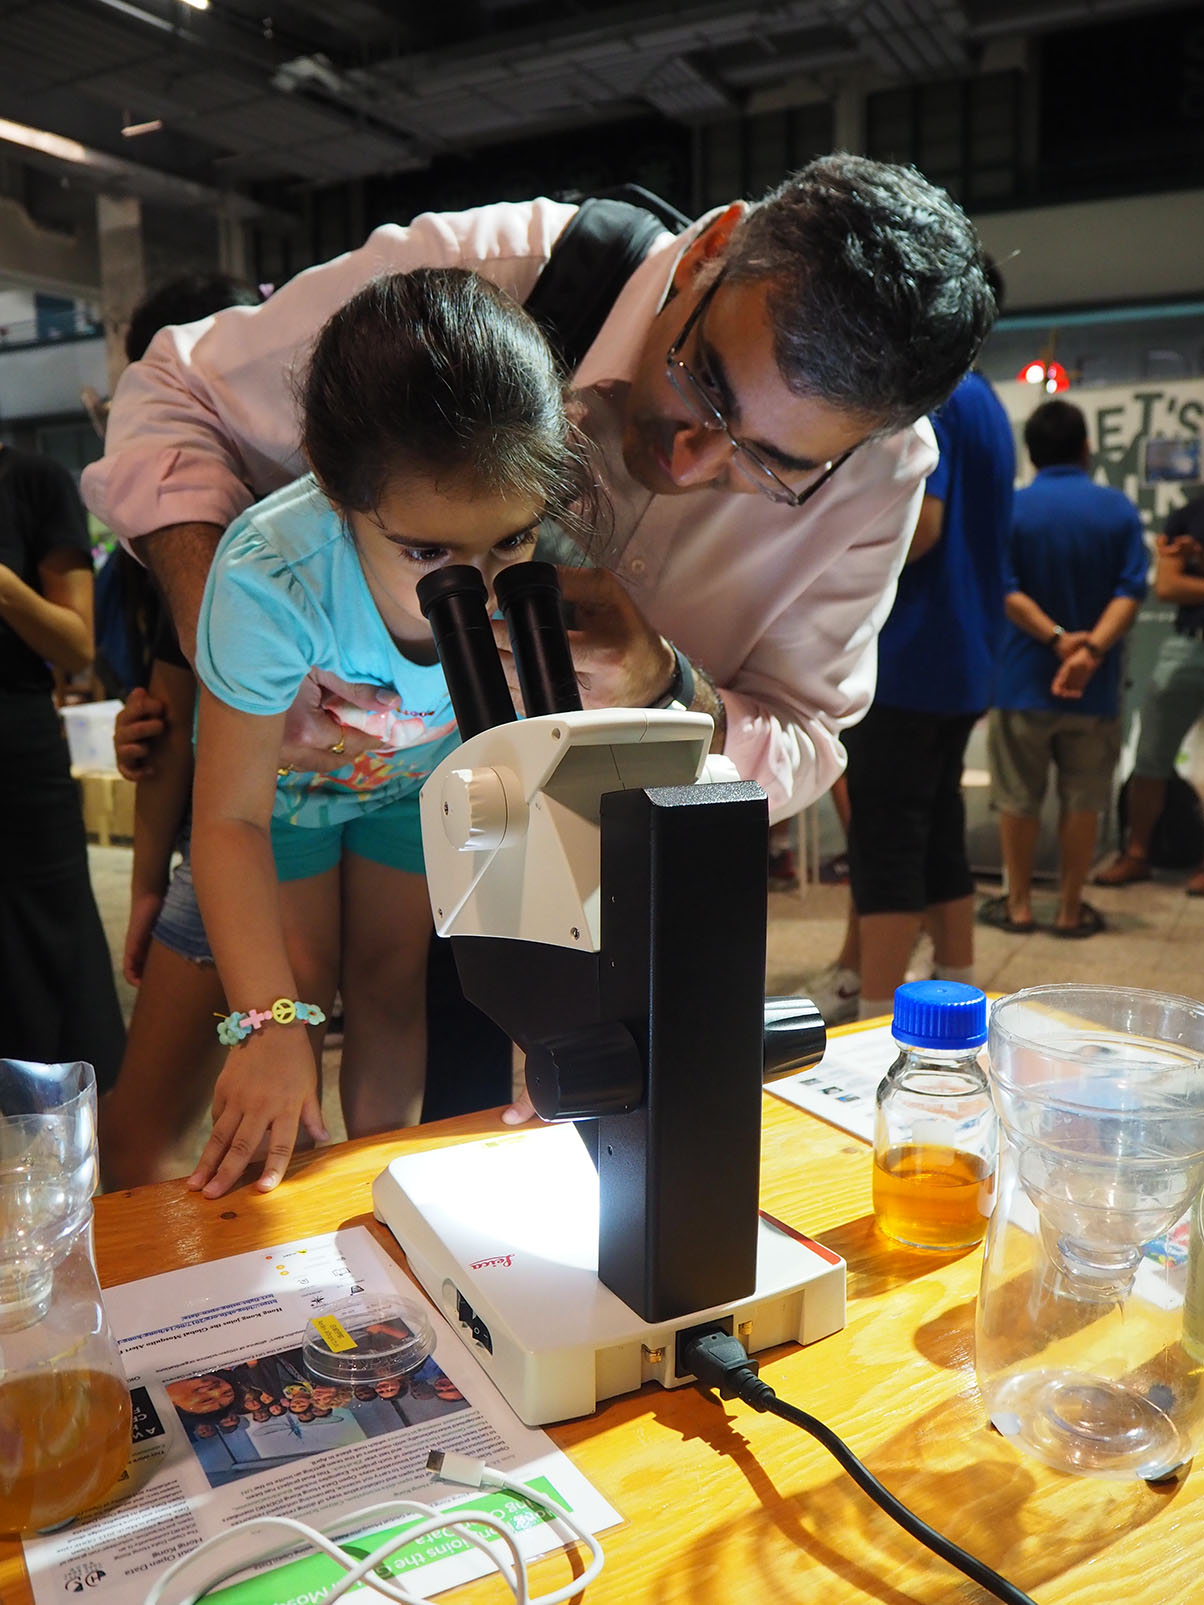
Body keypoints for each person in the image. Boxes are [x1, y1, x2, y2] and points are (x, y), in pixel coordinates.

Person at [83, 157, 997, 1107]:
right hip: (301, 784)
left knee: (464, 1096)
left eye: (772, 464)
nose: (691, 462)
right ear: (712, 250)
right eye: (706, 382)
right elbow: (168, 395)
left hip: (535, 856)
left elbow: (808, 739)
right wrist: (240, 644)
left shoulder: (883, 471)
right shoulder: (485, 278)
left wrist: (669, 692)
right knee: (194, 1083)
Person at [187, 267, 590, 1199]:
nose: (475, 588)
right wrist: (266, 1023)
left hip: (412, 786)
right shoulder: (269, 577)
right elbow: (229, 820)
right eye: (426, 553)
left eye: (509, 542)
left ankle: (380, 1188)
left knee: (391, 975)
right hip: (286, 796)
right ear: (337, 491)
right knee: (302, 982)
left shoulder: (544, 554)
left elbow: (542, 783)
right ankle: (304, 1193)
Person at [98, 276, 262, 1189]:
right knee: (315, 1114)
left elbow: (176, 694)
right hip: (384, 838)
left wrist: (147, 883)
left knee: (141, 1139)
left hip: (244, 839)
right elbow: (159, 711)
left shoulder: (198, 526)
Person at [811, 356, 1015, 1023]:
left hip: (906, 655)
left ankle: (878, 1020)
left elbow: (921, 527)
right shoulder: (987, 401)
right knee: (938, 834)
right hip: (963, 655)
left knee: (886, 839)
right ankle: (959, 996)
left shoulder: (928, 391)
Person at [981, 399, 1147, 937]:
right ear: (1085, 448)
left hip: (1021, 682)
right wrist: (1089, 652)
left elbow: (1005, 590)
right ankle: (1072, 911)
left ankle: (1020, 907)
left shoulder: (1012, 509)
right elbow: (1131, 592)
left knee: (1017, 799)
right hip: (1093, 691)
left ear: (1031, 453)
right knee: (1084, 801)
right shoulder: (1117, 510)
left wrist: (1055, 640)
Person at [0, 443, 125, 1087]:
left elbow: (77, 644)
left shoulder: (30, 480)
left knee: (50, 946)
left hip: (14, 753)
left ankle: (61, 1120)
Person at [1093, 494, 1204, 897]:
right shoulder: (1191, 513)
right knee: (1150, 755)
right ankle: (1137, 853)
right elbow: (1169, 585)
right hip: (1188, 644)